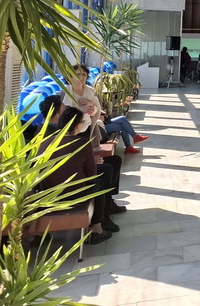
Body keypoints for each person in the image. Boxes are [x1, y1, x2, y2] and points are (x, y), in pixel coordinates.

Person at [39, 107, 117, 244]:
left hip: (48, 193)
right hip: (74, 193)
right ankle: (98, 228)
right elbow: (91, 174)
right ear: (77, 125)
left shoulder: (44, 143)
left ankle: (106, 215)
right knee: (98, 184)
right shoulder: (82, 143)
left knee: (106, 170)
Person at [66, 64, 148, 154]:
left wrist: (91, 104)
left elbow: (95, 109)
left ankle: (133, 141)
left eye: (84, 74)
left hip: (93, 124)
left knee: (123, 119)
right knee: (123, 126)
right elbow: (65, 114)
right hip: (81, 129)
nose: (81, 77)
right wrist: (83, 110)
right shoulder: (66, 93)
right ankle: (132, 141)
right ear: (70, 76)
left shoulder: (90, 90)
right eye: (78, 74)